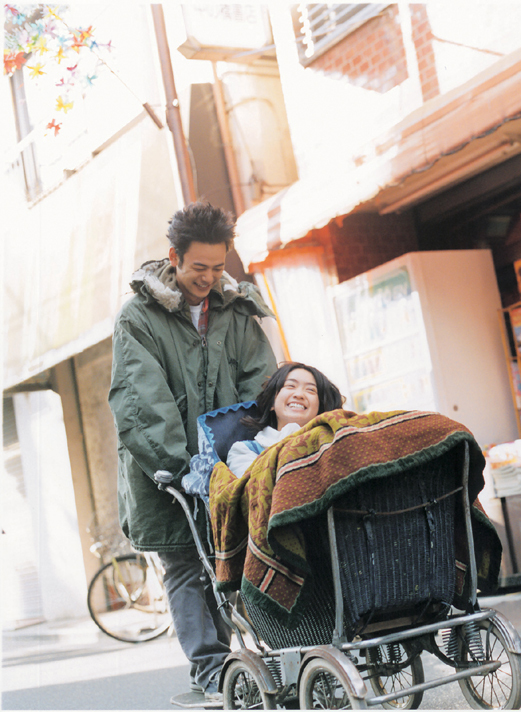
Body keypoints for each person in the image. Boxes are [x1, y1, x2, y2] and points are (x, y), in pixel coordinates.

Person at [108, 201, 277, 702]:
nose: (208, 278)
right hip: (165, 472)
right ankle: (209, 668)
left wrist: (248, 451)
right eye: (198, 267)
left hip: (230, 466)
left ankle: (246, 660)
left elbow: (260, 383)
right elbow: (141, 400)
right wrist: (182, 467)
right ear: (174, 258)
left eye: (218, 267)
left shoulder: (237, 310)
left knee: (233, 559)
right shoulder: (138, 318)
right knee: (185, 565)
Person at [226, 362, 345, 478]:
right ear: (272, 401)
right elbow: (253, 491)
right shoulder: (244, 450)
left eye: (310, 390)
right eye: (290, 386)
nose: (299, 394)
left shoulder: (333, 443)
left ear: (320, 408)